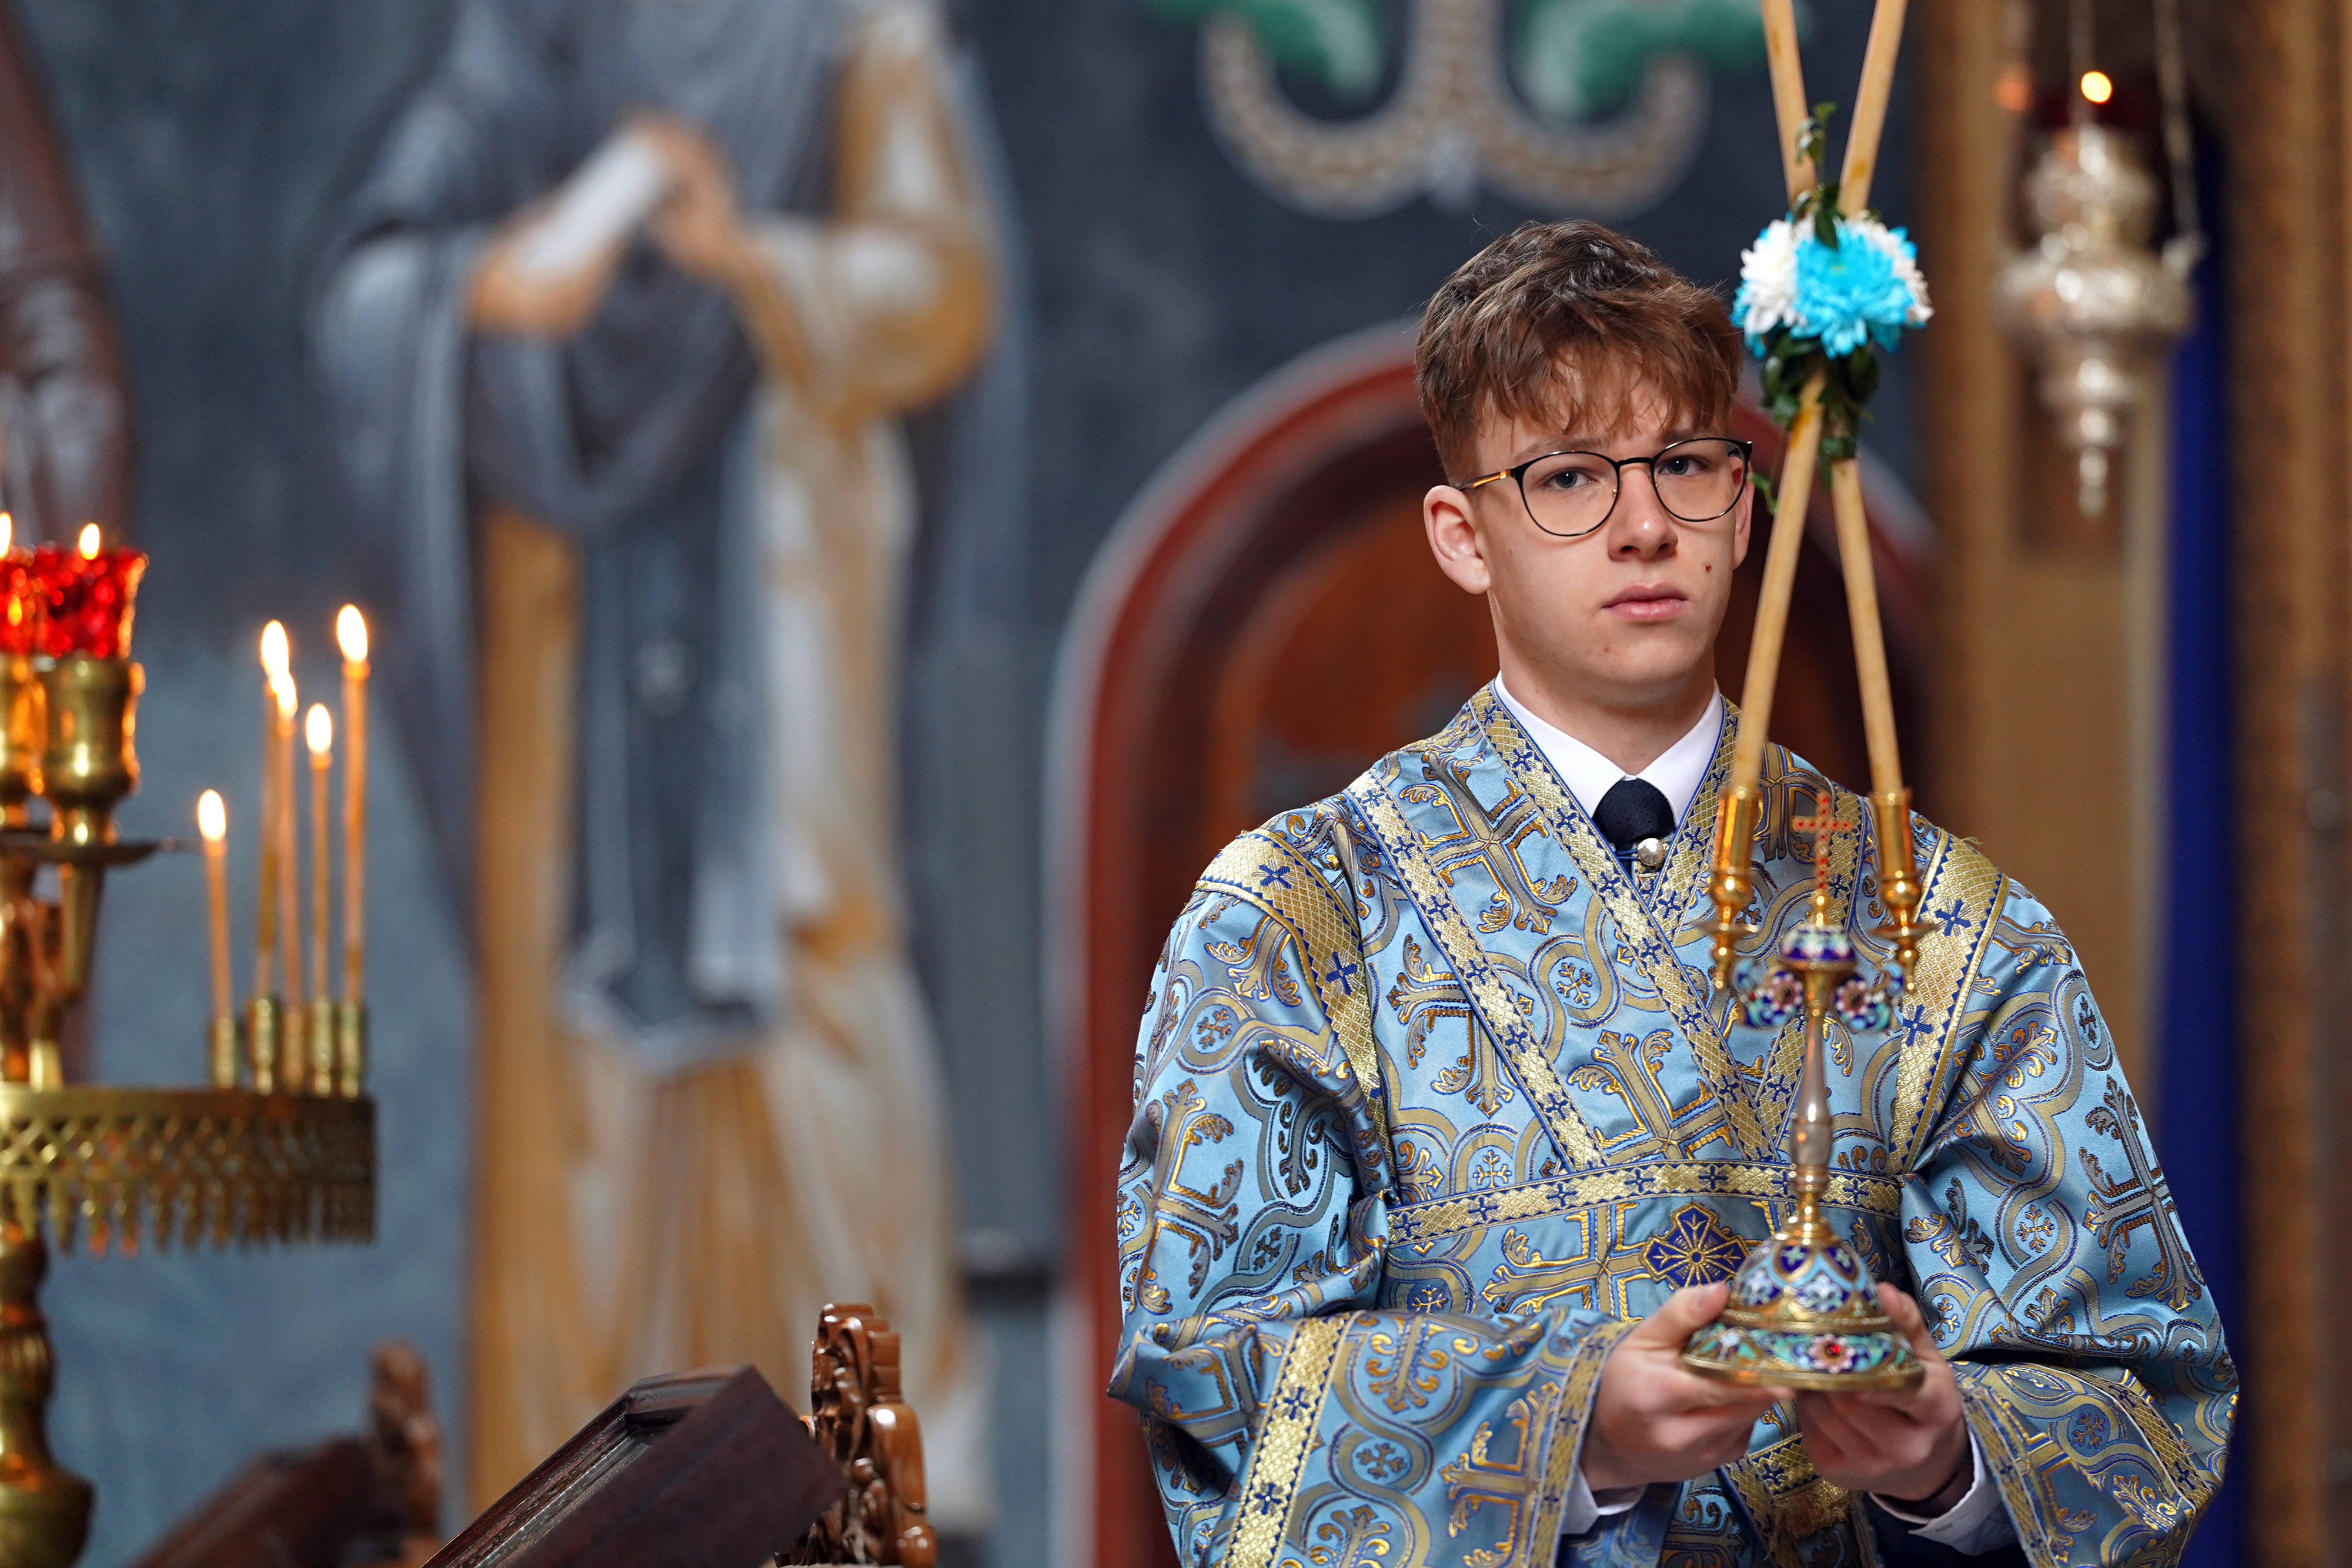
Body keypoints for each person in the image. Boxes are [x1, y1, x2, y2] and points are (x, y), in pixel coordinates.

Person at [1109, 220, 2230, 1567]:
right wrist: (1571, 1431)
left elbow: (2130, 1380)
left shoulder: (1937, 916)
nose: (1643, 527)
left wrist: (1943, 1455)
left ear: (1744, 503)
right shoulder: (1295, 916)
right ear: (1462, 534)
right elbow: (1221, 1382)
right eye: (1568, 477)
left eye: (1687, 466)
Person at [313, 0, 997, 1520]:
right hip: (573, 622)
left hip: (785, 583)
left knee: (821, 1006)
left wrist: (746, 256)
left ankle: (870, 1510)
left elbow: (939, 284)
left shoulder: (848, 35)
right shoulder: (527, 36)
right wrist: (532, 251)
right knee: (585, 1081)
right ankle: (581, 1515)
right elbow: (379, 283)